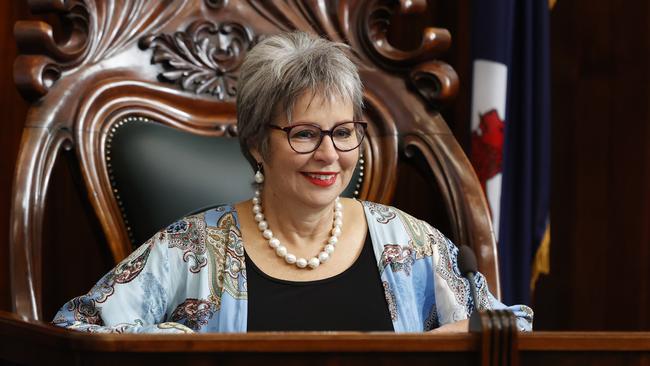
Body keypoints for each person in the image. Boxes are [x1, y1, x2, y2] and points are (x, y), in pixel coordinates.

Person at [52, 31, 533, 334]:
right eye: (304, 134)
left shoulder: (407, 243)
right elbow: (76, 329)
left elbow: (514, 328)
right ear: (259, 144)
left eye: (344, 133)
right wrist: (179, 345)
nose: (329, 154)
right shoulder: (194, 250)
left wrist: (467, 338)